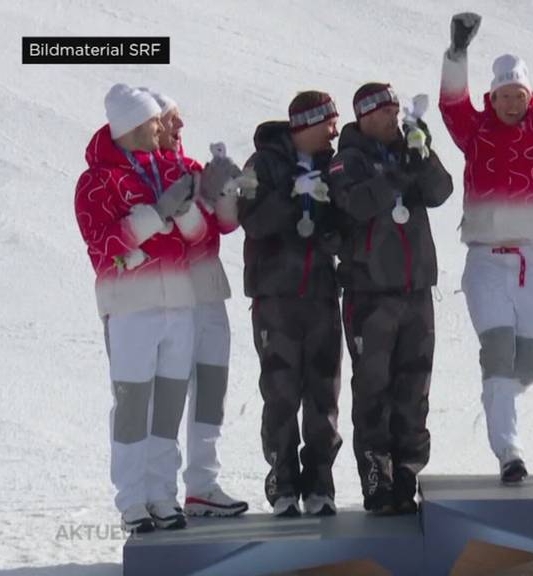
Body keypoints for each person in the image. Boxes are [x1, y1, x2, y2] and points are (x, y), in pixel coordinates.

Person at [438, 0, 533, 484]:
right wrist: (457, 53)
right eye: (503, 94)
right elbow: (450, 105)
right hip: (485, 262)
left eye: (519, 93)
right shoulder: (475, 132)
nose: (512, 102)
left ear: (527, 96)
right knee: (498, 354)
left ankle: (496, 393)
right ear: (492, 97)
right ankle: (510, 451)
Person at [74, 83, 207, 533]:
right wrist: (156, 214)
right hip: (130, 308)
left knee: (169, 404)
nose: (163, 126)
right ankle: (131, 500)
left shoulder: (167, 168)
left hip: (178, 304)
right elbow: (103, 246)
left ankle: (162, 495)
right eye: (155, 120)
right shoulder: (97, 181)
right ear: (133, 125)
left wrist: (187, 210)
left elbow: (202, 237)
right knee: (134, 406)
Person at [329, 82, 453, 514]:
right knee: (373, 389)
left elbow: (440, 192)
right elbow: (358, 204)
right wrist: (399, 173)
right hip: (370, 293)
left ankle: (407, 472)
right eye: (383, 112)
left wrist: (424, 155)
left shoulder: (407, 149)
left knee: (414, 385)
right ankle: (377, 478)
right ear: (363, 116)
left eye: (396, 110)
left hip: (415, 289)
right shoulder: (347, 160)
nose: (392, 118)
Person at [143, 88, 249, 517]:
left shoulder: (189, 167)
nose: (180, 126)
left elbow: (225, 226)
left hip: (207, 295)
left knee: (210, 392)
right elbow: (192, 233)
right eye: (171, 119)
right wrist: (194, 203)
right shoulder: (144, 174)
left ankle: (202, 486)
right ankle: (159, 492)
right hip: (167, 298)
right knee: (165, 398)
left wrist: (224, 191)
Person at [239, 91, 344, 517]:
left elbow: (342, 226)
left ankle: (320, 483)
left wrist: (329, 225)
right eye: (328, 123)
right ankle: (283, 482)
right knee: (281, 393)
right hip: (276, 299)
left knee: (324, 395)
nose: (335, 131)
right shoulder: (259, 164)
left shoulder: (332, 165)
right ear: (305, 125)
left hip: (321, 296)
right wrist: (290, 194)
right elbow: (252, 217)